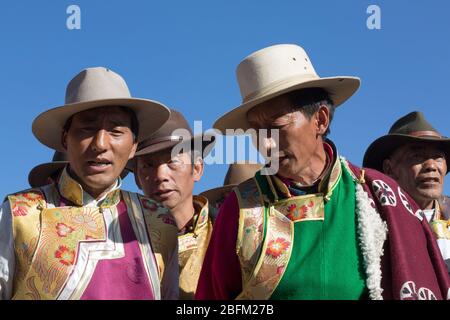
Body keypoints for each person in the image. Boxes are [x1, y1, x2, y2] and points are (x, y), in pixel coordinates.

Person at [196, 44, 450, 300]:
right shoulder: (240, 210)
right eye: (256, 131)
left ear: (320, 120)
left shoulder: (377, 197)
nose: (267, 143)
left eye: (277, 127)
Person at [0, 67, 179, 300]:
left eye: (116, 131)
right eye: (87, 129)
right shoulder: (19, 215)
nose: (100, 144)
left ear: (134, 146)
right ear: (65, 139)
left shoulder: (159, 220)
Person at [132, 109, 215, 299]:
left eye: (172, 162)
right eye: (148, 165)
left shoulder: (227, 232)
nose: (160, 176)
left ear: (197, 169)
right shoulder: (123, 241)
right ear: (137, 178)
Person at [363, 111, 450, 272]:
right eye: (417, 156)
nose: (431, 166)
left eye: (438, 157)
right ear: (389, 169)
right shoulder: (370, 221)